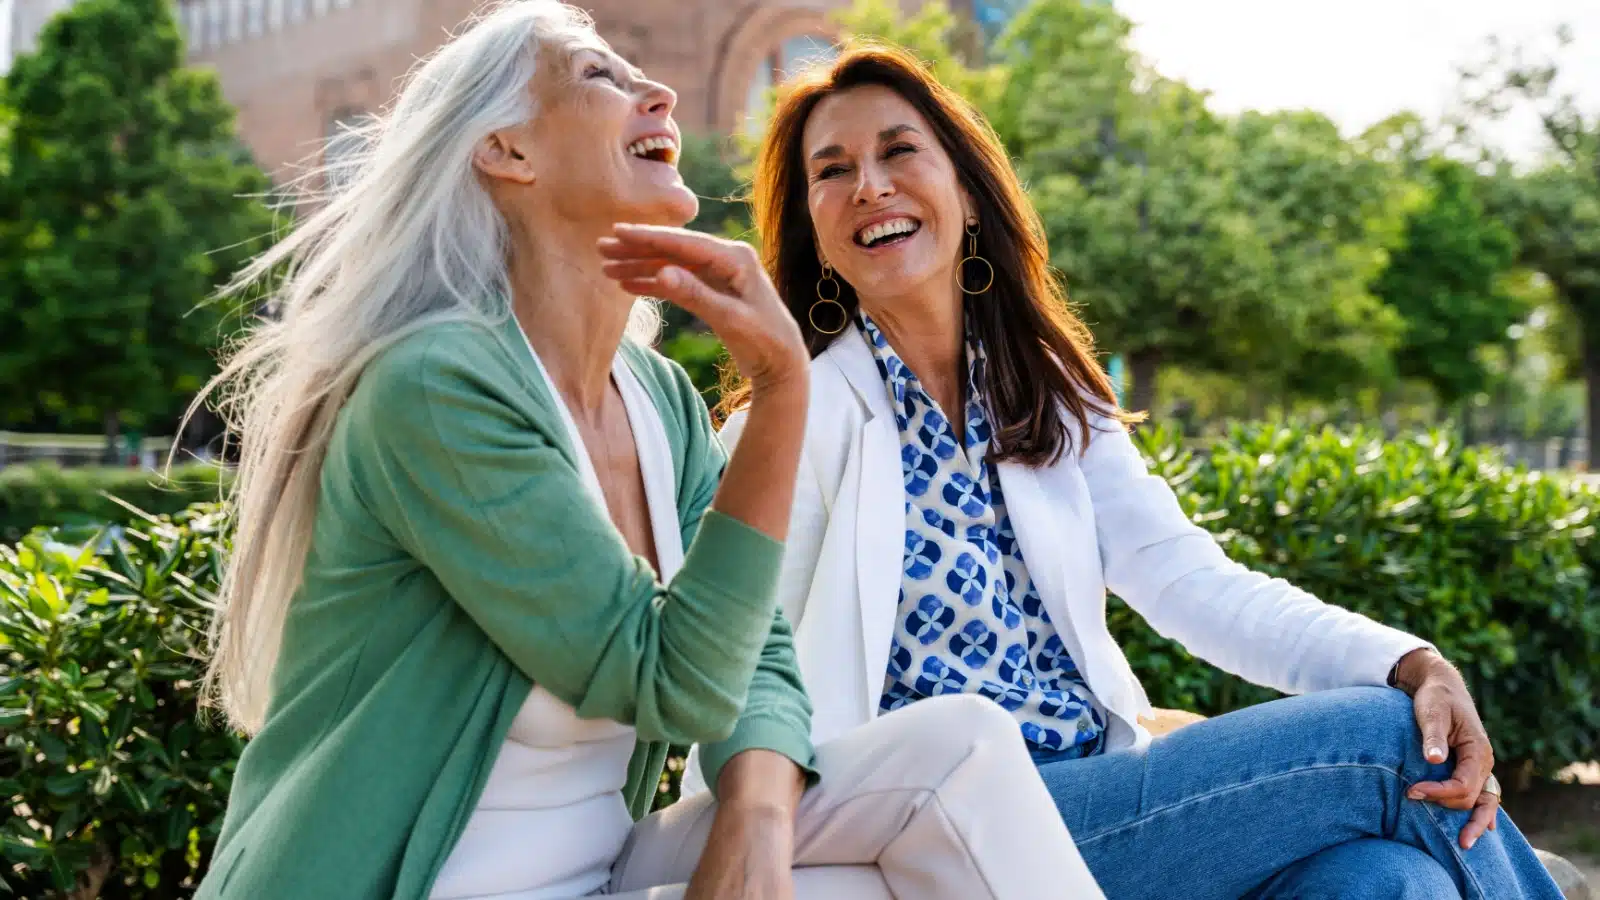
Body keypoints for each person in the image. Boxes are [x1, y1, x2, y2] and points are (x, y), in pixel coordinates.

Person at [186, 4, 1102, 899]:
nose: (656, 92)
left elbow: (758, 648)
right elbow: (677, 679)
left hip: (609, 871)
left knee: (961, 750)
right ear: (508, 152)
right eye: (599, 75)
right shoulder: (437, 386)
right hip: (432, 881)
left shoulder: (655, 398)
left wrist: (756, 821)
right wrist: (784, 386)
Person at [697, 41, 1566, 900]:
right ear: (814, 223)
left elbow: (1196, 584)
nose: (870, 185)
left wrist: (1411, 660)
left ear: (965, 187)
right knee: (1391, 739)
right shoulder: (789, 420)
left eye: (898, 150)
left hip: (1105, 797)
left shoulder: (1046, 394)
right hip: (943, 821)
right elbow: (728, 663)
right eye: (832, 169)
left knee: (1386, 879)